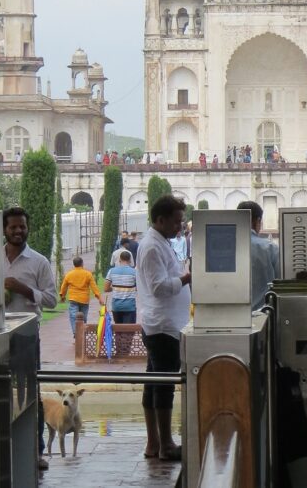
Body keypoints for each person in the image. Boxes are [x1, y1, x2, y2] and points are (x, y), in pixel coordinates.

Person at [137, 194, 191, 461]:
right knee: (164, 385)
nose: (179, 227)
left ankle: (154, 443)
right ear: (160, 219)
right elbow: (159, 287)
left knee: (154, 383)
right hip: (162, 326)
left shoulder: (160, 243)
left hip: (164, 324)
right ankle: (165, 444)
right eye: (176, 221)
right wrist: (186, 279)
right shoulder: (151, 247)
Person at [3, 207, 57, 470]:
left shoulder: (39, 262)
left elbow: (51, 299)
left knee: (29, 394)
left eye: (22, 226)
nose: (18, 231)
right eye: (13, 227)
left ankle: (35, 452)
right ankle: (4, 449)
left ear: (28, 228)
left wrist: (23, 289)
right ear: (4, 229)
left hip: (26, 336)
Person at [237, 201, 279, 310]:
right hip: (263, 316)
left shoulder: (224, 247)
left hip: (231, 316)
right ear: (258, 221)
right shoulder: (270, 249)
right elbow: (281, 284)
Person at [60, 255, 103, 339]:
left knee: (73, 316)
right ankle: (82, 332)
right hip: (84, 299)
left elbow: (63, 287)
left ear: (74, 264)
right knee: (83, 317)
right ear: (82, 264)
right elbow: (94, 287)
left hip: (73, 299)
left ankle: (76, 332)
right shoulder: (87, 274)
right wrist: (99, 297)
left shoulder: (69, 274)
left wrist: (62, 296)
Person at [104, 250, 137, 323]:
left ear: (119, 260)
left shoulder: (112, 271)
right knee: (128, 332)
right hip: (129, 306)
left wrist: (114, 288)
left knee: (118, 330)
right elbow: (138, 288)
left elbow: (106, 288)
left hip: (116, 306)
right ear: (129, 260)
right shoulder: (134, 272)